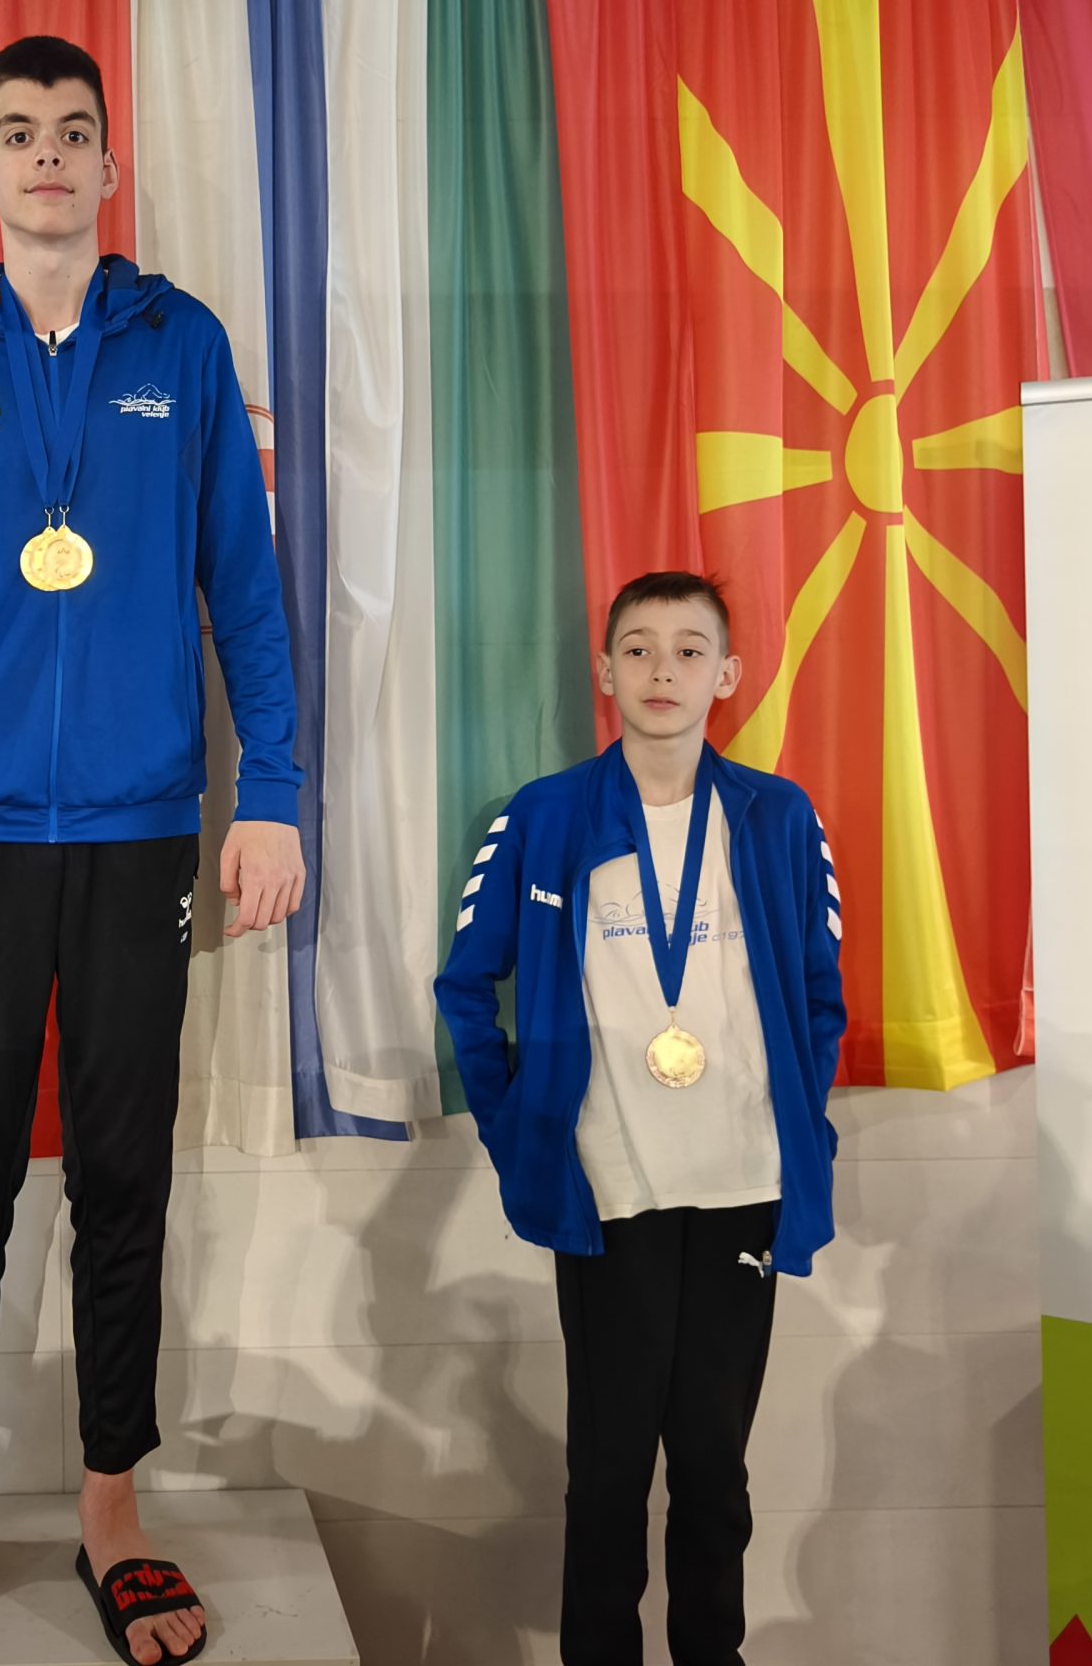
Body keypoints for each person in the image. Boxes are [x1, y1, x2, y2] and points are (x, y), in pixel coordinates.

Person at [0, 35, 304, 1666]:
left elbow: (246, 591)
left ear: (107, 167)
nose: (45, 156)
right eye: (16, 133)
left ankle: (112, 1511)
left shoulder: (184, 346)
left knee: (122, 1183)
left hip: (142, 830)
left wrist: (274, 791)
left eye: (72, 133)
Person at [434, 571, 846, 1666]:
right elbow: (465, 986)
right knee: (609, 1472)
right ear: (605, 671)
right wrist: (518, 1126)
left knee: (713, 1469)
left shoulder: (777, 816)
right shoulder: (543, 816)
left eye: (689, 650)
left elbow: (820, 996)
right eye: (639, 649)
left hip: (743, 1185)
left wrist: (794, 1121)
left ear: (728, 675)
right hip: (607, 1188)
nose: (664, 671)